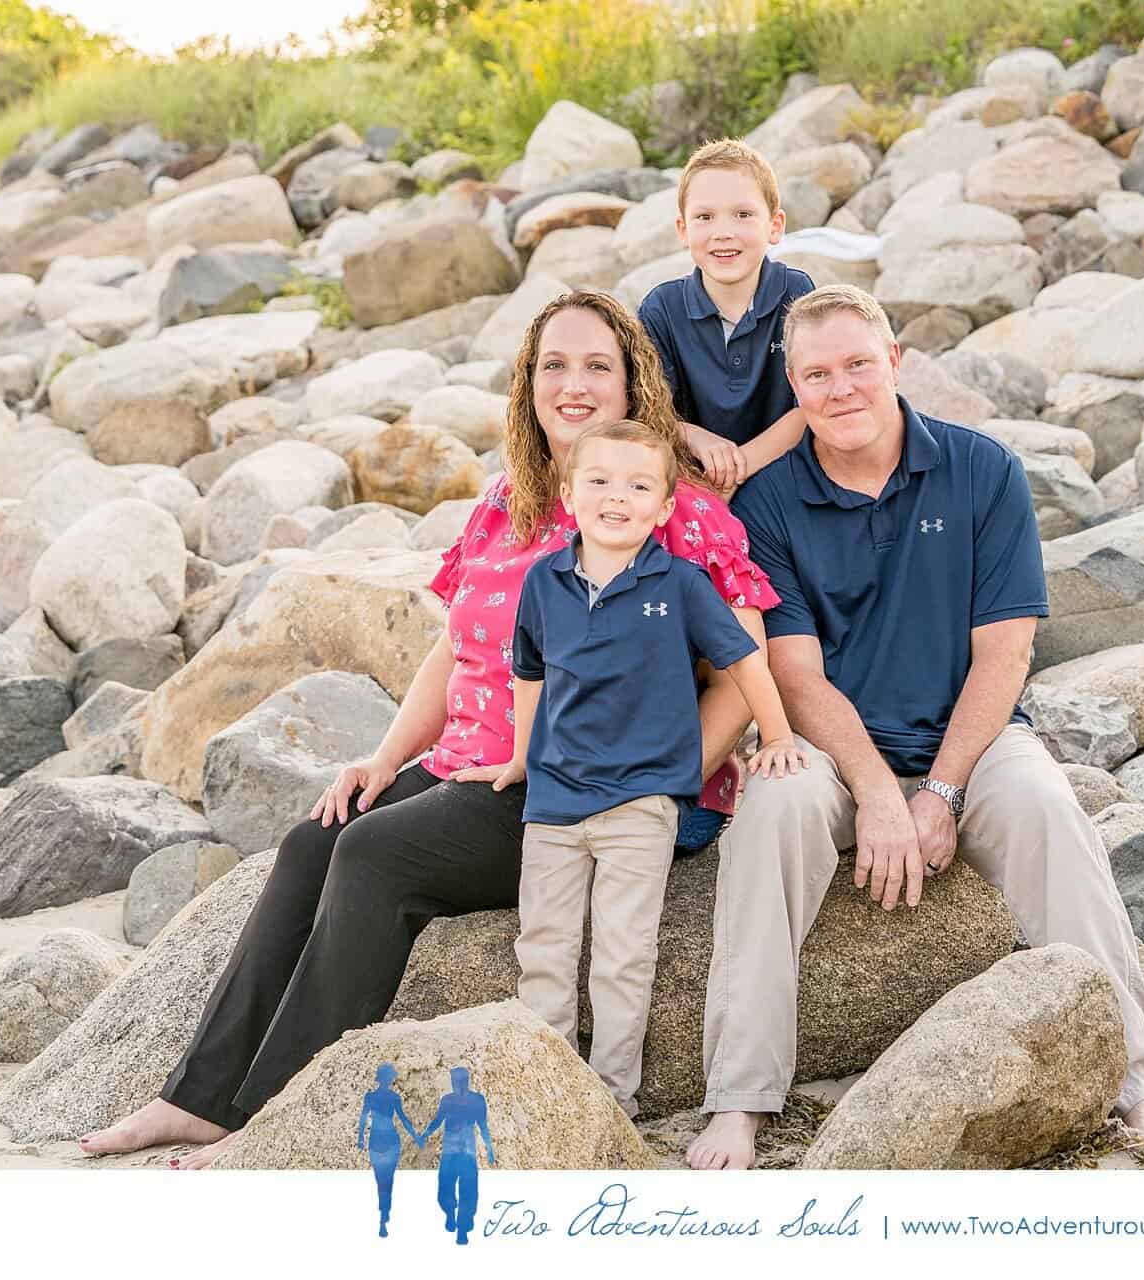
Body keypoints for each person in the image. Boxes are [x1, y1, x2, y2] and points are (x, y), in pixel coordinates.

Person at [76, 289, 779, 1168]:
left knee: (377, 859)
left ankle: (277, 1113)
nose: (574, 385)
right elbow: (457, 651)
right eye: (554, 366)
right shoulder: (503, 503)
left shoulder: (670, 510)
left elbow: (742, 676)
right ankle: (199, 1100)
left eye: (598, 366)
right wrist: (383, 758)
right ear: (527, 385)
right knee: (315, 839)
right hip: (474, 762)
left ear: (635, 385)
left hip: (581, 786)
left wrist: (665, 777)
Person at [685, 284, 1144, 1171]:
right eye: (816, 375)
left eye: (857, 367)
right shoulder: (766, 504)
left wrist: (942, 792)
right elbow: (794, 675)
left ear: (895, 365)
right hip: (833, 751)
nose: (840, 390)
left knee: (1047, 808)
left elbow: (1005, 656)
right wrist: (880, 795)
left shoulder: (980, 469)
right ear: (793, 389)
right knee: (769, 814)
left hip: (974, 740)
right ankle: (740, 1099)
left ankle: (1137, 1083)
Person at [455, 419, 805, 1117]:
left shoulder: (679, 584)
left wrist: (778, 732)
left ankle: (613, 1097)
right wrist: (523, 755)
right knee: (545, 949)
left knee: (621, 954)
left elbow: (742, 659)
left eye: (639, 485)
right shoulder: (543, 583)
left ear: (665, 507)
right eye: (601, 482)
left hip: (641, 803)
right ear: (569, 493)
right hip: (554, 802)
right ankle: (550, 1093)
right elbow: (528, 673)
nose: (619, 497)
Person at [638, 137, 815, 497]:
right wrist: (698, 439)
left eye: (743, 214)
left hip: (782, 475)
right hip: (695, 481)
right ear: (683, 230)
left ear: (775, 225)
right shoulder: (662, 309)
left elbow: (811, 405)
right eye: (704, 217)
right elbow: (646, 412)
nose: (723, 232)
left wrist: (740, 465)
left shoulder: (796, 293)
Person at [417, 1067, 493, 1245]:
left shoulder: (476, 1100)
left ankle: (462, 1228)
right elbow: (438, 1120)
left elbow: (483, 1126)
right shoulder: (449, 1100)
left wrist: (489, 1147)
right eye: (453, 1080)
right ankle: (451, 1214)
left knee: (466, 1192)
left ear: (464, 1081)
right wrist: (425, 1134)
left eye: (456, 1081)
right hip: (453, 1152)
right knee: (447, 1189)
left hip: (463, 1153)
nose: (454, 1084)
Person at [357, 1062, 419, 1237]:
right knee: (384, 1180)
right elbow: (403, 1119)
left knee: (383, 1180)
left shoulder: (381, 1097)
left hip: (381, 1140)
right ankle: (384, 1214)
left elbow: (365, 1119)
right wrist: (416, 1136)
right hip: (386, 1139)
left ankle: (384, 1217)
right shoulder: (388, 1097)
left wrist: (361, 1138)